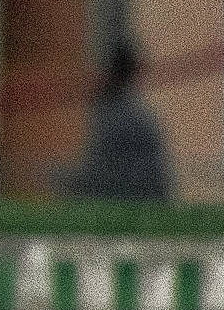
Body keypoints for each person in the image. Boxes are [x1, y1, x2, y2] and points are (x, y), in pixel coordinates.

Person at [57, 40, 172, 201]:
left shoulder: (126, 114)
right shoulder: (131, 112)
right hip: (133, 192)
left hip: (130, 195)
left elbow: (103, 170)